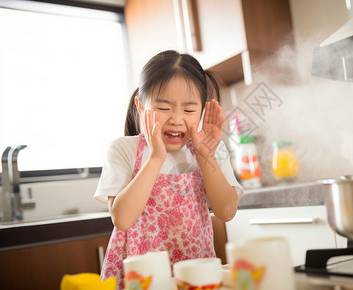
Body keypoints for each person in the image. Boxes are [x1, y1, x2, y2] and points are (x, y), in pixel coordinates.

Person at [94, 50, 243, 289]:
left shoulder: (211, 149)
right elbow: (122, 219)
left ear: (202, 111)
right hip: (141, 279)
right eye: (163, 108)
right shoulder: (124, 149)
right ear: (140, 106)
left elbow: (226, 212)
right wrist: (155, 158)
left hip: (196, 274)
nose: (176, 118)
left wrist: (207, 157)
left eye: (188, 109)